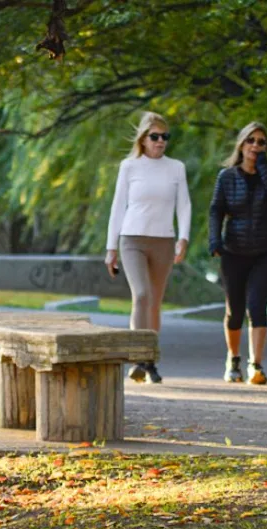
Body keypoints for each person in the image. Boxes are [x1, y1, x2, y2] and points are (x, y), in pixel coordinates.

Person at [105, 111, 192, 384]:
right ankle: (136, 357)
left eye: (165, 137)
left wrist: (184, 237)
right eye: (155, 136)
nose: (160, 141)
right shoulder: (129, 167)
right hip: (132, 239)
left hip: (163, 241)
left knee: (155, 302)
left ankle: (150, 361)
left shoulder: (176, 167)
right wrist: (111, 248)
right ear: (143, 139)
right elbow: (118, 206)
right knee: (141, 295)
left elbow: (184, 204)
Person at [208, 121, 267, 385]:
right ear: (241, 145)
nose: (255, 146)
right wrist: (214, 239)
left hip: (265, 251)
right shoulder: (227, 177)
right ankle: (233, 359)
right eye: (250, 141)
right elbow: (216, 210)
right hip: (234, 250)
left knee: (257, 306)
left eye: (261, 142)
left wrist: (264, 168)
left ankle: (257, 364)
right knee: (236, 311)